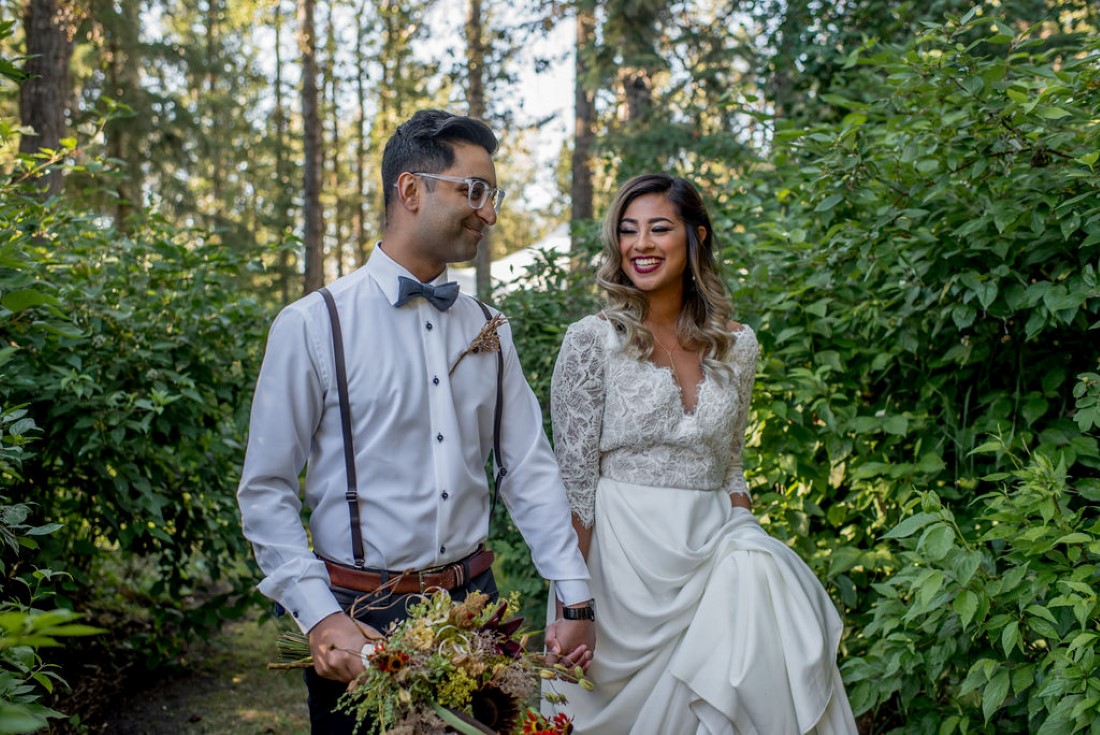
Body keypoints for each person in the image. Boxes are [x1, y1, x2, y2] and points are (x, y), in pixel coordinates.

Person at [237, 109, 595, 735]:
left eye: (493, 195)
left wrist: (574, 591)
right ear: (410, 190)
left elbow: (529, 469)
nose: (488, 211)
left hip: (476, 612)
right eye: (473, 191)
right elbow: (265, 492)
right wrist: (320, 617)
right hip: (360, 616)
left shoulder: (491, 327)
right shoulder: (314, 324)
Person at [544, 173, 858, 734]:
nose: (640, 244)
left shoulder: (738, 346)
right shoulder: (591, 342)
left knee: (759, 613)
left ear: (696, 239)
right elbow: (574, 484)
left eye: (659, 229)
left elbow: (730, 462)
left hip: (716, 558)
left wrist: (747, 528)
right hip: (620, 569)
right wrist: (575, 604)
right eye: (627, 230)